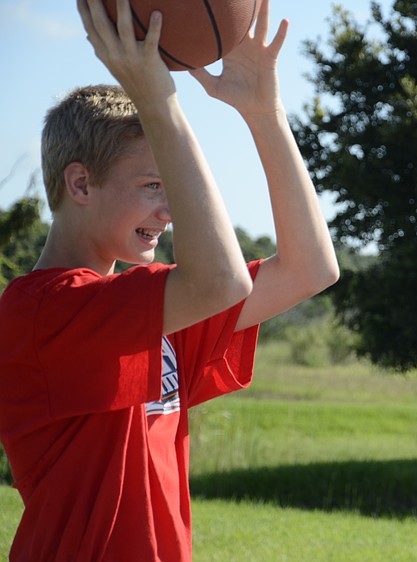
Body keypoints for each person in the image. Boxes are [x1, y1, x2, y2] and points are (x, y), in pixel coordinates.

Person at [0, 0, 339, 559]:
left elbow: (311, 270)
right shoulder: (42, 311)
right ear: (81, 185)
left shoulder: (154, 310)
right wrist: (159, 100)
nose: (171, 210)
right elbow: (221, 282)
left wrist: (264, 112)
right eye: (153, 185)